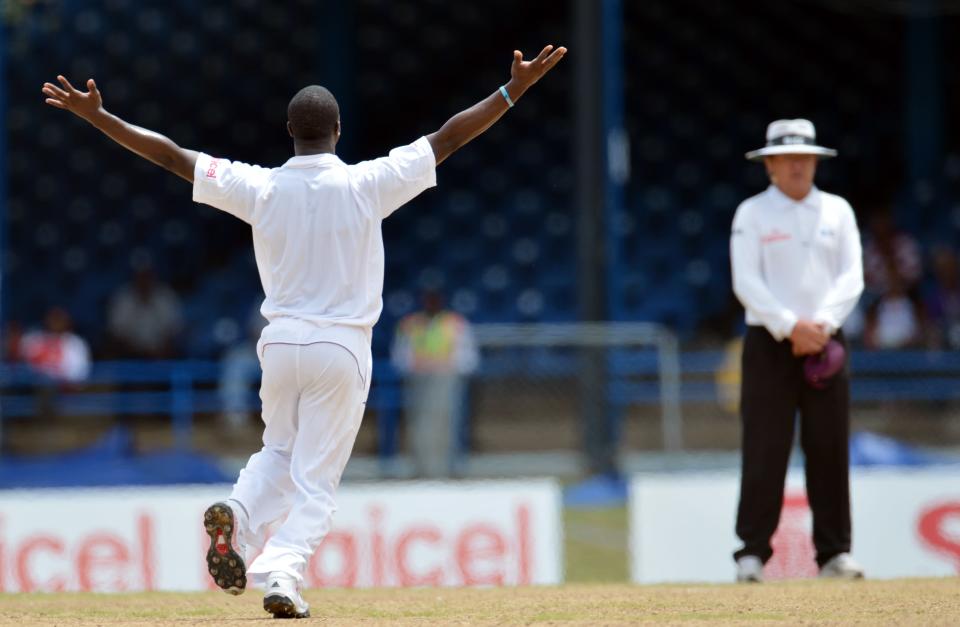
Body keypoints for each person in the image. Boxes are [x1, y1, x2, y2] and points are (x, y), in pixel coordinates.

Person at [43, 44, 566, 617]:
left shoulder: (261, 187)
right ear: (338, 131)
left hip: (280, 345)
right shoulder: (369, 183)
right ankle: (284, 575)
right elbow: (448, 139)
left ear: (288, 130)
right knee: (316, 481)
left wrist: (101, 118)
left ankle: (239, 518)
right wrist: (511, 90)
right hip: (341, 347)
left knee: (278, 451)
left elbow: (174, 158)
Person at [730, 119, 865, 583]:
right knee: (765, 447)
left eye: (804, 158)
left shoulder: (837, 211)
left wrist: (822, 325)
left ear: (815, 161)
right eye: (787, 159)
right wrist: (790, 327)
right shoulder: (751, 214)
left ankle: (834, 553)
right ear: (769, 165)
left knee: (829, 445)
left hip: (825, 342)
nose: (796, 167)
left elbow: (852, 278)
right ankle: (751, 553)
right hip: (770, 343)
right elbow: (746, 282)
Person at [391, 290, 479, 477]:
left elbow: (468, 359)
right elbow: (400, 358)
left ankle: (445, 471)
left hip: (445, 383)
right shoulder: (410, 324)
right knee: (419, 427)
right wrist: (421, 365)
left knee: (446, 425)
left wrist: (442, 365)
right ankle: (421, 470)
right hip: (417, 383)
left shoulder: (455, 324)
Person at [107, 266, 184, 359]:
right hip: (130, 354)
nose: (143, 280)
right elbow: (116, 334)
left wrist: (158, 352)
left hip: (162, 355)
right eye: (140, 276)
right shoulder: (122, 297)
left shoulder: (166, 296)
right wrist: (140, 352)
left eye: (146, 275)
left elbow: (175, 331)